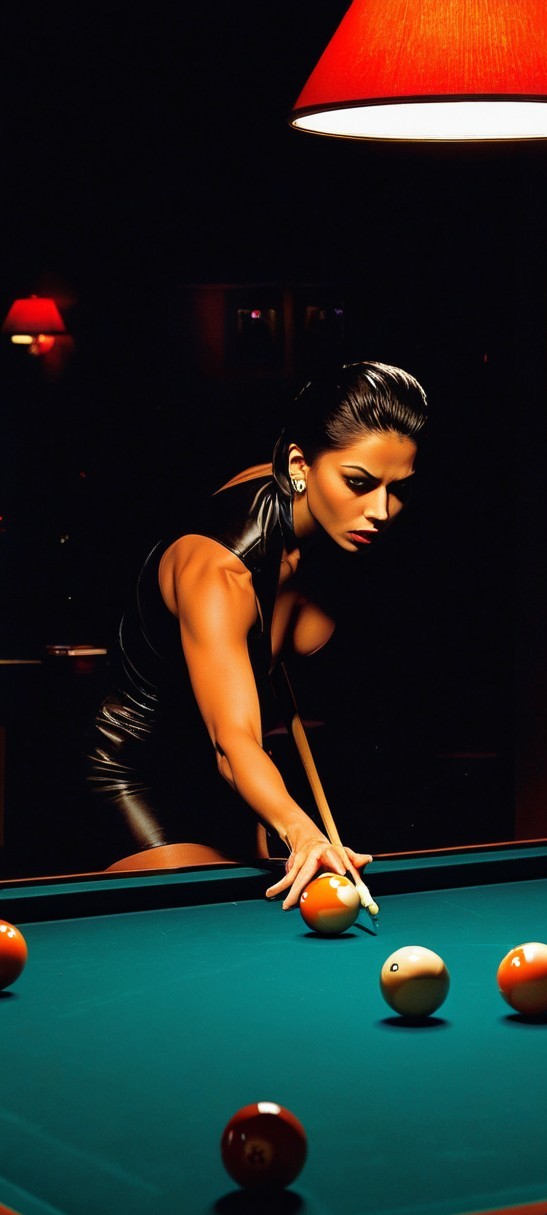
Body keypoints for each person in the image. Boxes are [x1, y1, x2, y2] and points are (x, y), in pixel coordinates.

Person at [86, 361, 427, 907]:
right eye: (358, 483)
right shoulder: (219, 573)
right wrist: (303, 831)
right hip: (134, 769)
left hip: (230, 776)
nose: (381, 511)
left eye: (398, 489)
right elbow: (233, 741)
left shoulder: (322, 522)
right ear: (299, 463)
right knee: (197, 925)